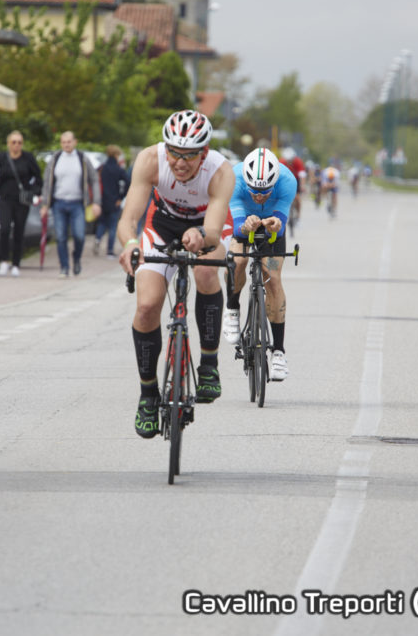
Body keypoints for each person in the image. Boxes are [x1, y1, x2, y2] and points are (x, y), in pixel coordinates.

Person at [116, 110, 234, 439]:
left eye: (190, 155)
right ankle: (148, 394)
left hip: (205, 226)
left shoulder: (220, 172)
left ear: (205, 153)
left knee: (207, 275)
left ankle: (209, 363)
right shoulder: (149, 160)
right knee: (146, 306)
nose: (180, 163)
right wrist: (129, 244)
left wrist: (202, 236)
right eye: (174, 153)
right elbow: (129, 218)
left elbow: (213, 229)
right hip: (162, 225)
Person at [221, 148, 297, 381]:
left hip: (271, 223)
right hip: (243, 220)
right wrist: (246, 225)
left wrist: (275, 224)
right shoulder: (233, 179)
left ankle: (279, 352)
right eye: (254, 190)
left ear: (274, 183)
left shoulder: (287, 181)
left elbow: (281, 223)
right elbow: (236, 228)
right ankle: (232, 307)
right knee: (238, 260)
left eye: (265, 191)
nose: (259, 196)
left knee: (272, 277)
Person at [40, 131, 102, 278]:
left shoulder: (82, 159)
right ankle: (64, 267)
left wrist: (96, 203)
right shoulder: (55, 159)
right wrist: (44, 204)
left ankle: (76, 259)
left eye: (69, 141)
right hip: (59, 203)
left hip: (78, 204)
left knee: (79, 236)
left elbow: (94, 179)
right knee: (61, 237)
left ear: (75, 142)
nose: (66, 144)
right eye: (64, 142)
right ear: (61, 143)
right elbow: (47, 182)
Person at [0, 130, 42, 277]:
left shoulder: (28, 158)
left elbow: (38, 178)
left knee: (19, 231)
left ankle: (16, 264)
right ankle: (4, 261)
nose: (16, 145)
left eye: (19, 142)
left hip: (22, 200)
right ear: (8, 144)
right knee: (4, 228)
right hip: (5, 198)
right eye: (13, 142)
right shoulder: (3, 157)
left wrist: (34, 192)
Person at [94, 145, 130, 258]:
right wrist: (121, 197)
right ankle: (109, 251)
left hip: (103, 200)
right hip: (115, 201)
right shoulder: (118, 170)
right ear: (116, 155)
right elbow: (128, 183)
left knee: (102, 223)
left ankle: (97, 239)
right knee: (113, 226)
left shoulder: (102, 168)